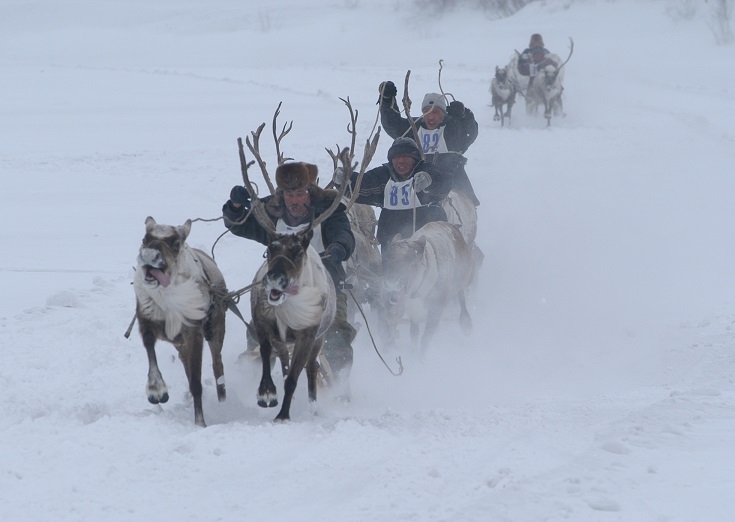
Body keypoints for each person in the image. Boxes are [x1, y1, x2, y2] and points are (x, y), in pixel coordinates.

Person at [222, 162, 356, 393]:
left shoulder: (328, 211)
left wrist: (337, 249)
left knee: (337, 332)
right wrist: (235, 206)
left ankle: (338, 387)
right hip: (280, 289)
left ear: (309, 191)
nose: (295, 201)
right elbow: (239, 225)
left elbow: (343, 235)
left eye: (300, 194)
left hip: (326, 287)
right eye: (290, 195)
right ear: (282, 196)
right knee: (259, 330)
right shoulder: (271, 217)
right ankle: (250, 383)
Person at [332, 137, 451, 257]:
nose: (400, 161)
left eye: (405, 157)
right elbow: (362, 185)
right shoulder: (384, 175)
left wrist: (430, 180)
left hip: (426, 241)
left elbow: (444, 181)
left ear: (415, 159)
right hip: (392, 240)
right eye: (396, 157)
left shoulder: (425, 170)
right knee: (392, 273)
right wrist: (345, 179)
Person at [377, 82, 480, 206]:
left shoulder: (452, 128)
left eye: (435, 112)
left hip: (453, 184)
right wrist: (387, 99)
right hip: (419, 184)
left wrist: (464, 116)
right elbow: (393, 124)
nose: (430, 116)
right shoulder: (414, 128)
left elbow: (470, 133)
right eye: (426, 111)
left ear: (444, 113)